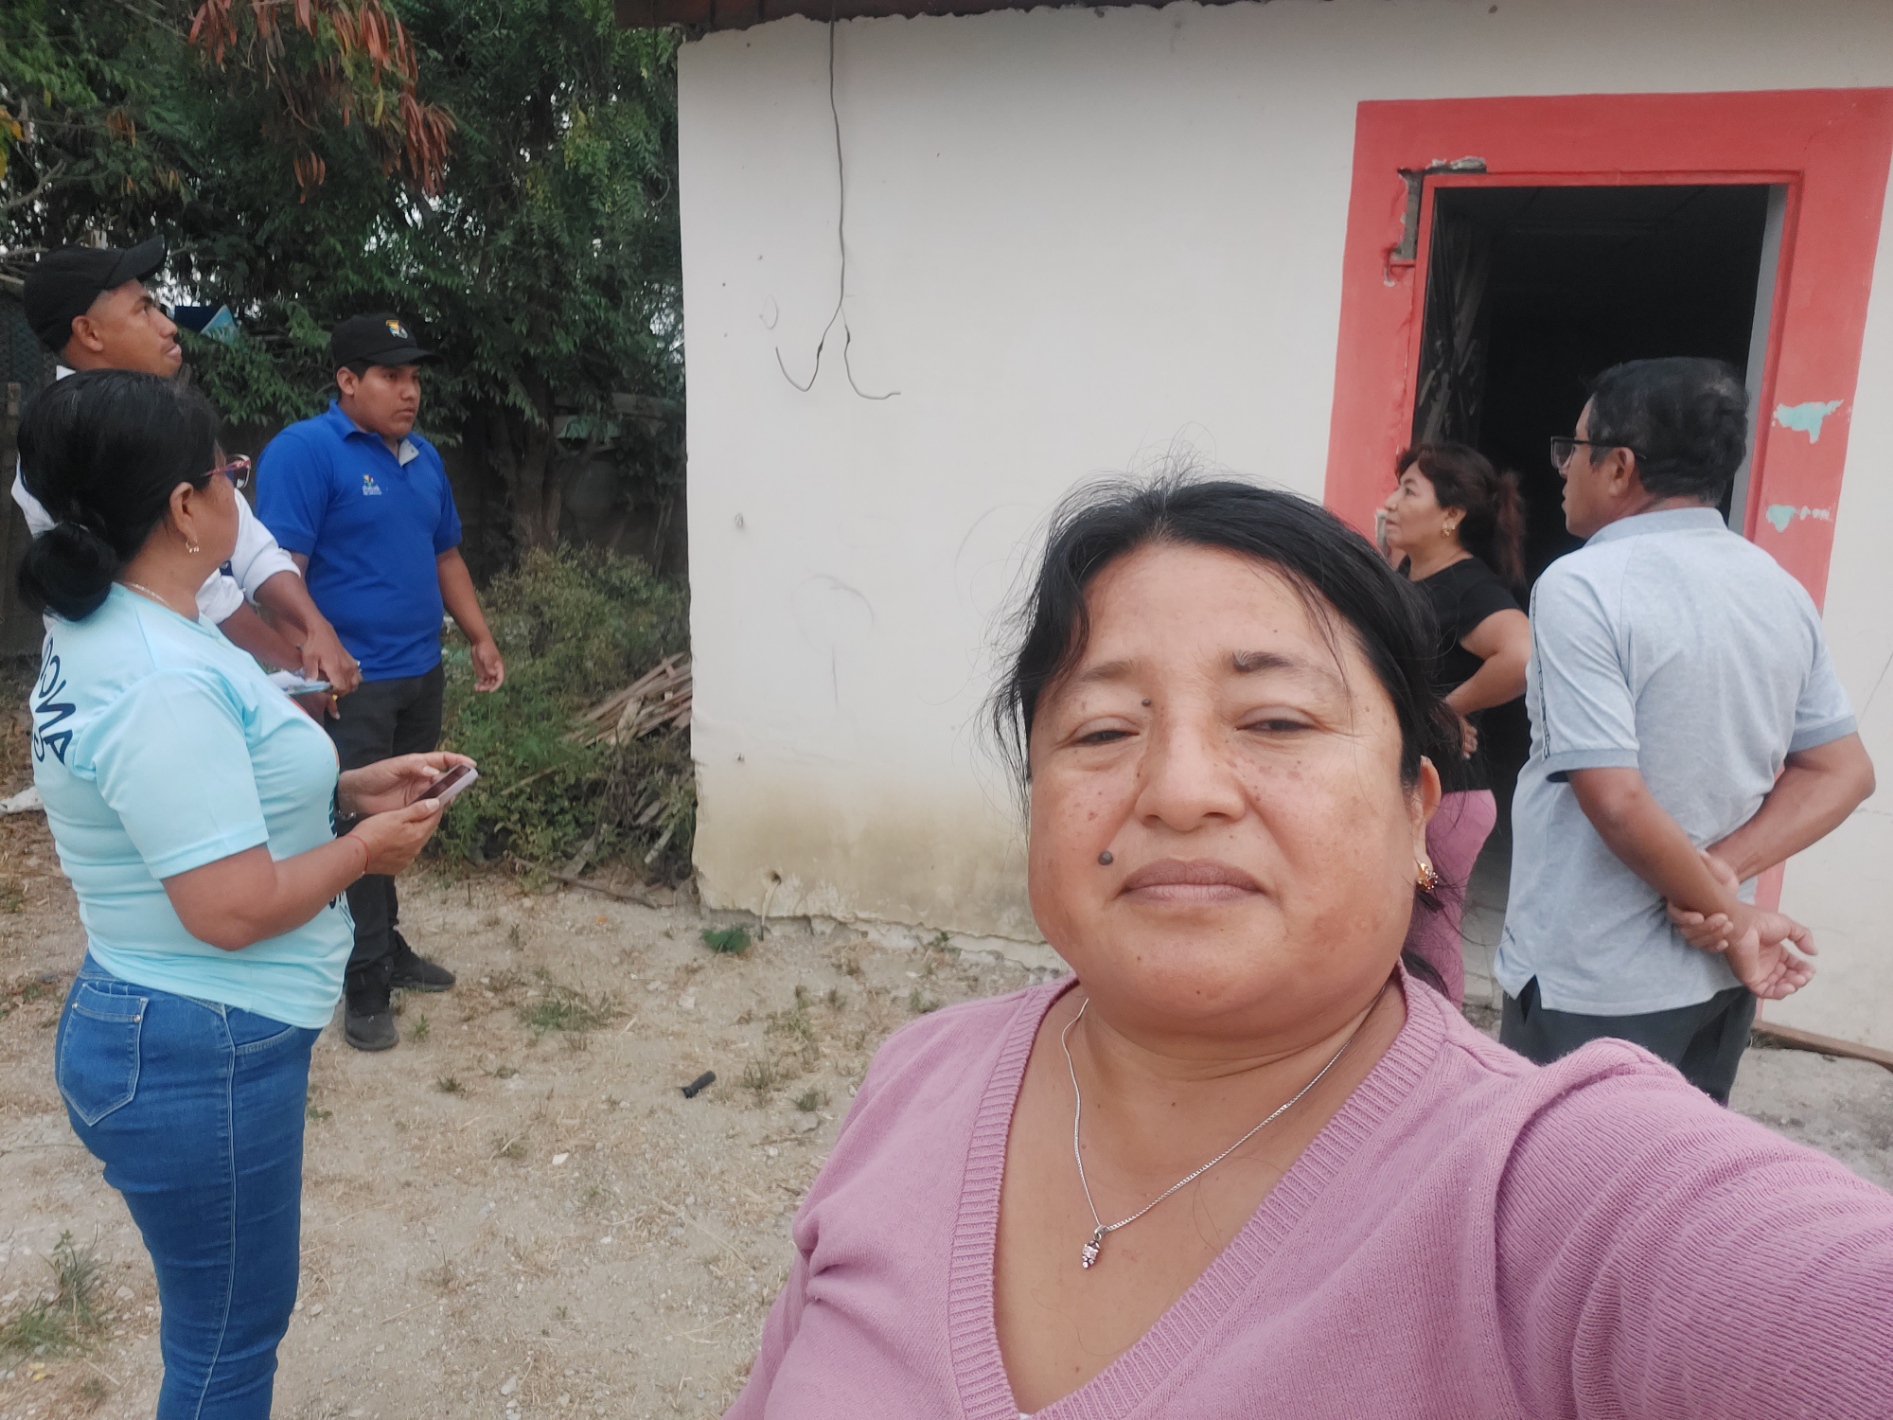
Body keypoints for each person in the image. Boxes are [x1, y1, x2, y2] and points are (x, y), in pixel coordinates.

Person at [724, 475, 1893, 1420]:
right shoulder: (919, 1075)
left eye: (1276, 719)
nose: (1179, 789)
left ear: (1417, 813)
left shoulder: (1552, 1195)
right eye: (1103, 728)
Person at [20, 370, 466, 1418]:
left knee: (219, 1330)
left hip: (163, 1026)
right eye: (230, 473)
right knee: (227, 1347)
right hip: (198, 1045)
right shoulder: (160, 675)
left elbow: (190, 797)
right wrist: (365, 851)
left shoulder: (113, 629)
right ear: (186, 508)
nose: (238, 490)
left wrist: (346, 789)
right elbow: (228, 908)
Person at [1495, 358, 1875, 1103]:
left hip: (1594, 981)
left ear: (1619, 467)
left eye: (1573, 448)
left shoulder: (1583, 585)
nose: (1563, 469)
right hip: (1713, 983)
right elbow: (1843, 770)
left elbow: (1615, 801)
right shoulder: (1776, 587)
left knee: (1560, 1172)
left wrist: (1726, 912)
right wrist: (1726, 884)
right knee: (1675, 1173)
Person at [256, 313, 504, 1051]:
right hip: (349, 686)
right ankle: (361, 978)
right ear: (346, 381)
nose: (409, 391)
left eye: (415, 377)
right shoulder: (307, 452)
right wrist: (302, 672)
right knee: (358, 826)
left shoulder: (422, 459)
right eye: (391, 376)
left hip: (419, 672)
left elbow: (445, 556)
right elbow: (278, 575)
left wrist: (479, 636)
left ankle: (384, 945)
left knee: (404, 816)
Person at [13, 239, 360, 699]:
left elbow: (248, 542)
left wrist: (315, 627)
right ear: (90, 333)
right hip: (146, 686)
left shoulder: (162, 415)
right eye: (143, 311)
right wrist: (297, 669)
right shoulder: (70, 442)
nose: (169, 326)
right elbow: (203, 595)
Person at [1380, 442, 1529, 1002]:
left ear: (1451, 516)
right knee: (1391, 929)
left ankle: (1439, 1039)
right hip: (1407, 793)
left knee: (1429, 928)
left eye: (1409, 491)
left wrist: (1445, 709)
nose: (1391, 503)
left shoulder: (1471, 586)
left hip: (1447, 808)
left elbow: (1522, 655)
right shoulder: (1408, 577)